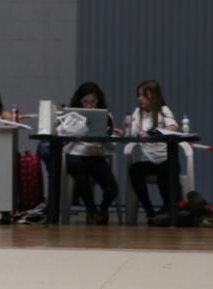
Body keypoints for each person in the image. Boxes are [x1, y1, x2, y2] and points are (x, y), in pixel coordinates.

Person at [61, 82, 119, 225]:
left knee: (112, 188)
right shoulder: (72, 115)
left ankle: (102, 210)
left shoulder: (106, 116)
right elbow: (62, 136)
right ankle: (92, 211)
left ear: (98, 101)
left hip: (96, 156)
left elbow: (111, 144)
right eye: (85, 102)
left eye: (92, 102)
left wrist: (110, 135)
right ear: (79, 101)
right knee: (82, 178)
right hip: (76, 154)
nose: (89, 106)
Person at [126, 79, 180, 219]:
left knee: (164, 175)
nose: (140, 99)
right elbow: (134, 132)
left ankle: (168, 209)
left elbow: (174, 127)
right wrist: (129, 125)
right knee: (134, 170)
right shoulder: (138, 112)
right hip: (149, 161)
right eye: (138, 95)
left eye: (144, 95)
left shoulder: (163, 110)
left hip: (166, 160)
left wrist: (151, 133)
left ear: (153, 96)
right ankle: (149, 210)